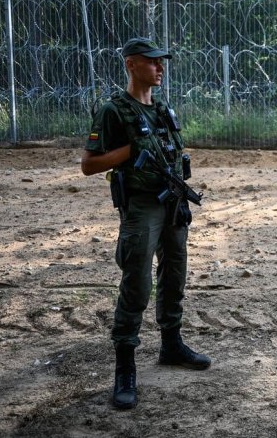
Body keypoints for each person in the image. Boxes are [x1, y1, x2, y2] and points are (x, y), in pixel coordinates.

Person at [81, 37, 210, 410]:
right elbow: (88, 165)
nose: (161, 68)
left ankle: (172, 345)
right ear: (132, 65)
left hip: (171, 202)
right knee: (137, 281)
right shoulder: (113, 110)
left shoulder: (163, 108)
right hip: (141, 207)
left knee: (174, 274)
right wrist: (131, 151)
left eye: (161, 62)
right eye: (153, 62)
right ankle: (125, 367)